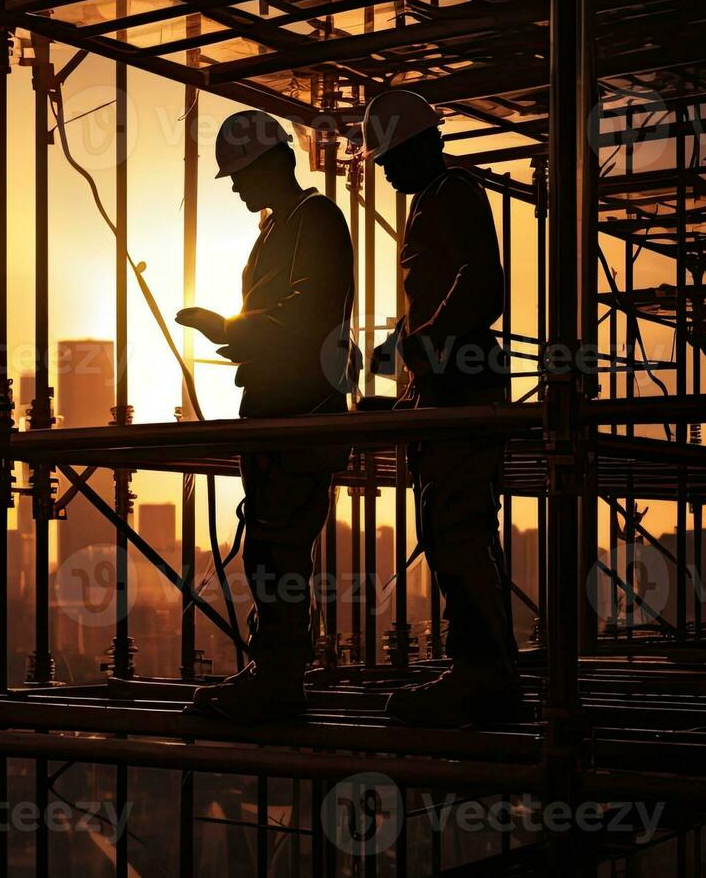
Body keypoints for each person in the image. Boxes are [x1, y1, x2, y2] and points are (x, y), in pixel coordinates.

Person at [175, 110, 355, 721]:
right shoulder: (280, 227)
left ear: (273, 162)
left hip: (301, 408)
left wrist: (230, 329)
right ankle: (274, 667)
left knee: (279, 543)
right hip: (276, 406)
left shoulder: (316, 221)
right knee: (268, 547)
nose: (235, 186)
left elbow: (307, 319)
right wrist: (235, 336)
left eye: (240, 173)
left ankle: (280, 675)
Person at [363, 89, 521, 727]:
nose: (380, 169)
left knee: (456, 531)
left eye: (388, 156)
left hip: (460, 390)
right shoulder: (435, 200)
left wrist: (422, 346)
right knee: (451, 529)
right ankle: (482, 671)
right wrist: (403, 348)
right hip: (448, 386)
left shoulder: (451, 193)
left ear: (417, 145)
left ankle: (482, 676)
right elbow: (451, 296)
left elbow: (482, 288)